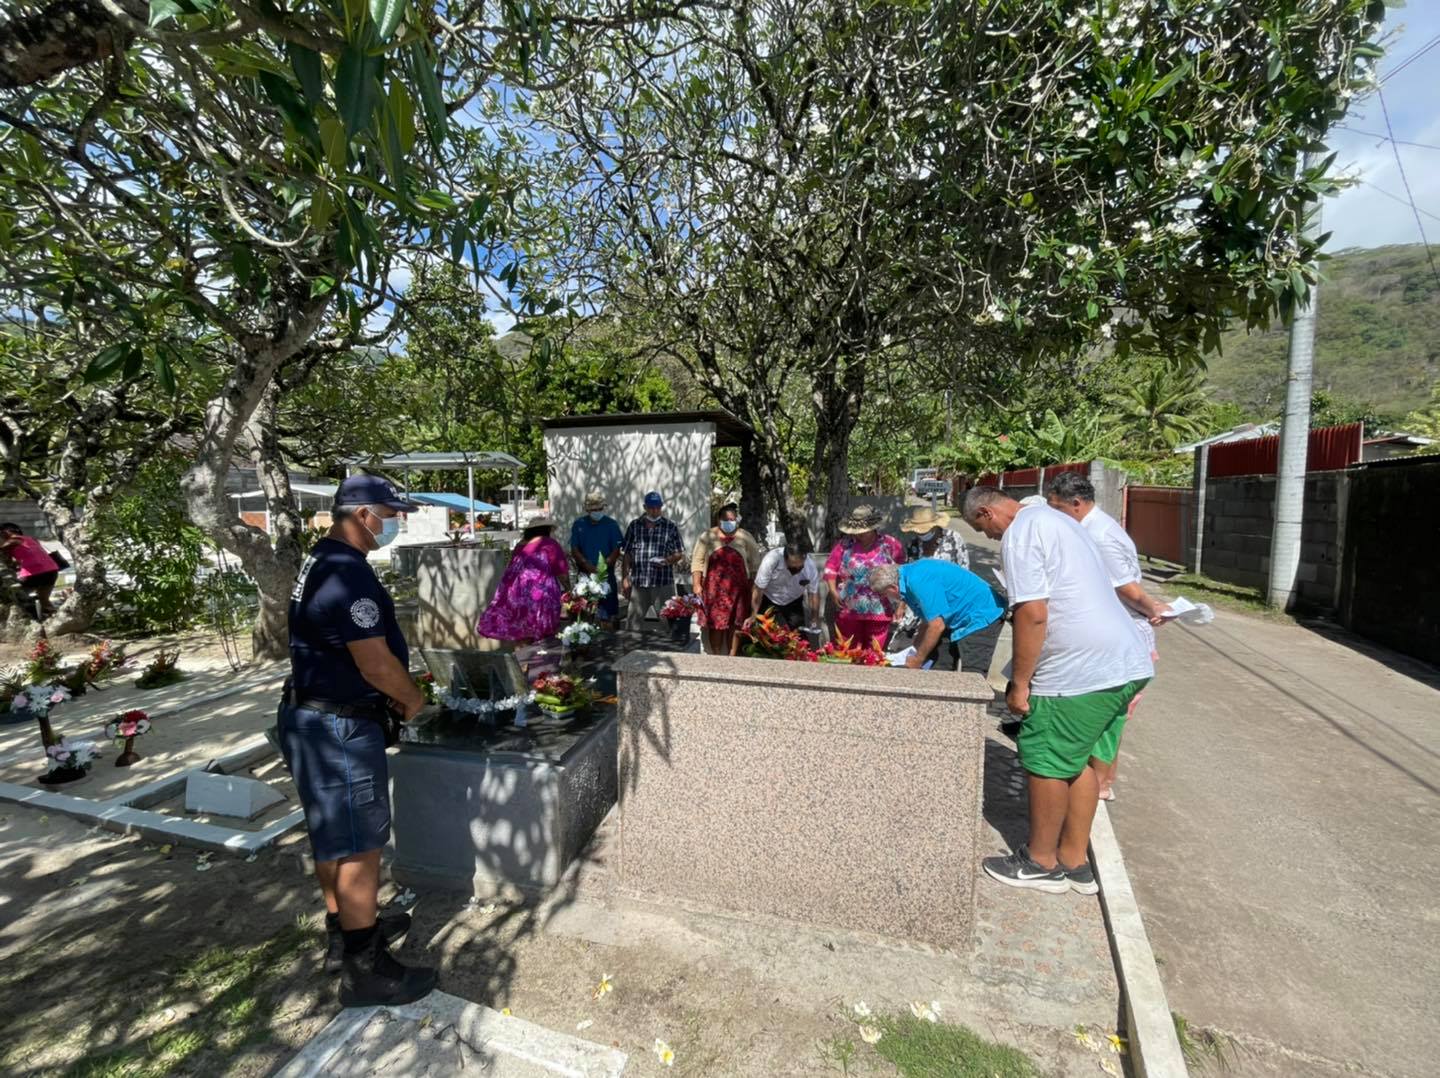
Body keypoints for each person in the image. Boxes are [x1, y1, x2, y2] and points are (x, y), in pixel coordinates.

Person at [280, 475, 436, 1006]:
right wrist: (412, 700)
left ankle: (343, 929)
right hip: (339, 730)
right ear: (362, 513)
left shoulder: (319, 559)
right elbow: (374, 662)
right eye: (391, 512)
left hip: (308, 715)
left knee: (331, 836)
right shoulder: (347, 575)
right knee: (359, 848)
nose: (395, 522)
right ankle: (365, 970)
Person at [961, 487, 1153, 896]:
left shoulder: (1021, 533)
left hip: (1077, 673)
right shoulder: (1059, 521)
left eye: (984, 529)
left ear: (987, 512)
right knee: (1076, 763)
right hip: (1122, 663)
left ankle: (1041, 862)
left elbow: (1032, 613)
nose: (990, 538)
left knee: (1044, 759)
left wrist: (1022, 683)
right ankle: (1074, 860)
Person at [1045, 472, 1170, 801]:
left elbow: (1124, 585)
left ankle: (1099, 786)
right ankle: (1100, 785)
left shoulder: (1097, 535)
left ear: (1076, 504)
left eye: (1056, 507)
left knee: (1104, 721)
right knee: (1109, 719)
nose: (1052, 514)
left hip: (1121, 634)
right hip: (1122, 632)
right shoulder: (1098, 526)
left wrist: (1151, 608)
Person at [870, 560, 1003, 672]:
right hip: (954, 617)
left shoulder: (917, 580)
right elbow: (926, 621)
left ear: (893, 587)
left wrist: (917, 659)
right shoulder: (906, 581)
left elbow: (936, 625)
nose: (886, 598)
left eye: (884, 594)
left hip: (982, 613)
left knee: (973, 673)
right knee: (938, 664)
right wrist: (914, 650)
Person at [477, 515, 570, 644]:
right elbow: (561, 571)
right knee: (542, 635)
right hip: (541, 596)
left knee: (522, 633)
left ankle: (522, 662)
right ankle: (537, 661)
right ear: (547, 529)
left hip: (517, 595)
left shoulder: (520, 546)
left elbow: (511, 569)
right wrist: (569, 589)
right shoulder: (549, 544)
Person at [824, 505, 905, 650]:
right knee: (847, 652)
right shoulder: (844, 545)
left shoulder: (889, 545)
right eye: (855, 532)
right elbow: (830, 569)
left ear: (873, 528)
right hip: (849, 610)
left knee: (874, 654)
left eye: (862, 532)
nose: (858, 535)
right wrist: (832, 591)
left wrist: (902, 604)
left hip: (879, 609)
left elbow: (903, 574)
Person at [690, 503, 761, 655]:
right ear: (719, 519)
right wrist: (696, 584)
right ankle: (716, 656)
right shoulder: (707, 536)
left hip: (739, 590)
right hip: (713, 590)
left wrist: (755, 587)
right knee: (716, 624)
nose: (730, 523)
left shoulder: (745, 536)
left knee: (737, 623)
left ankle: (732, 656)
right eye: (726, 519)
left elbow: (755, 563)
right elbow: (697, 561)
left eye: (733, 519)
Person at [621, 491, 686, 631]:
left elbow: (678, 553)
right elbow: (627, 553)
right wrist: (625, 578)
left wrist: (666, 560)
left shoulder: (670, 527)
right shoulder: (634, 526)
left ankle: (671, 651)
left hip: (662, 583)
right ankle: (631, 650)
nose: (655, 511)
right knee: (633, 624)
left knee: (668, 622)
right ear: (645, 507)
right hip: (639, 584)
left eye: (658, 507)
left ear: (661, 507)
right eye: (651, 507)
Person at [569, 491, 623, 626]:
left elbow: (617, 549)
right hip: (584, 576)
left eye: (600, 509)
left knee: (607, 618)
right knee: (584, 614)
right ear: (588, 510)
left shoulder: (611, 524)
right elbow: (574, 548)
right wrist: (586, 564)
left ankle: (608, 644)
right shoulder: (579, 524)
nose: (597, 511)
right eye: (594, 509)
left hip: (605, 575)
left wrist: (604, 566)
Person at [751, 544, 821, 631]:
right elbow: (758, 589)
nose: (797, 569)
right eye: (793, 567)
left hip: (794, 601)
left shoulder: (810, 566)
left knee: (798, 636)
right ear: (784, 559)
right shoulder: (771, 560)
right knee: (768, 635)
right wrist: (753, 614)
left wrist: (814, 617)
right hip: (770, 599)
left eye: (800, 567)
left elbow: (814, 593)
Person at [0, 523, 60, 618]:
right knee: (44, 599)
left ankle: (31, 618)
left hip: (36, 573)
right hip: (52, 570)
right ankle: (54, 616)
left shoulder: (14, 541)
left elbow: (3, 550)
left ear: (5, 532)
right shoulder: (31, 539)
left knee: (17, 595)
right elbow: (30, 556)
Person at [900, 505, 969, 568]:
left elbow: (964, 567)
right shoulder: (913, 545)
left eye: (925, 531)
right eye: (918, 532)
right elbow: (910, 570)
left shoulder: (953, 538)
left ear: (935, 526)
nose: (921, 535)